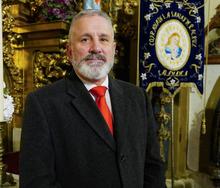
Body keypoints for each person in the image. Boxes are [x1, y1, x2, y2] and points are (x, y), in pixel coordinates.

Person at [20, 10, 165, 188]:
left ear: (113, 49)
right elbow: (36, 182)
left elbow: (153, 168)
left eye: (103, 39)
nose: (96, 48)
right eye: (85, 39)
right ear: (69, 51)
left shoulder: (137, 97)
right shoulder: (42, 103)